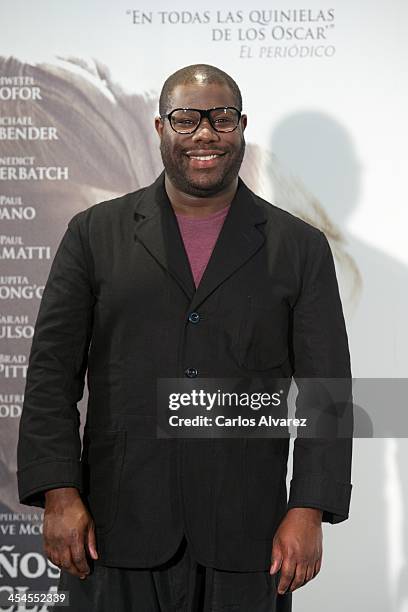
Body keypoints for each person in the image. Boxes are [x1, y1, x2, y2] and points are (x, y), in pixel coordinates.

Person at [17, 64, 353, 611]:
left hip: (248, 535)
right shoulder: (93, 233)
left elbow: (326, 393)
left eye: (221, 118)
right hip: (115, 528)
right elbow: (52, 376)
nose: (204, 133)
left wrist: (310, 505)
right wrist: (58, 491)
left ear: (241, 127)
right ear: (160, 128)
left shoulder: (300, 247)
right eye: (186, 118)